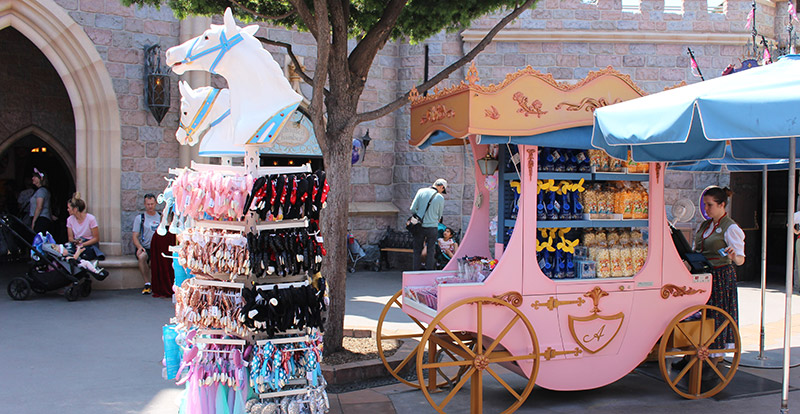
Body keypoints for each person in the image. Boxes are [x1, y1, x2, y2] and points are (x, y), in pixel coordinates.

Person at [694, 187, 745, 354]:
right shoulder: (705, 225)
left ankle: (715, 354)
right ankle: (696, 350)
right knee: (702, 315)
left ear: (722, 205)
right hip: (705, 275)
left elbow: (741, 260)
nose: (706, 209)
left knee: (718, 316)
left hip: (721, 275)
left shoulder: (730, 228)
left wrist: (733, 256)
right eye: (705, 205)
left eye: (710, 205)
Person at [410, 178, 446, 271]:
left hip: (419, 226)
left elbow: (412, 209)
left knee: (417, 250)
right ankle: (429, 273)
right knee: (431, 251)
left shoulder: (420, 191)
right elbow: (439, 215)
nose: (442, 192)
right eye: (443, 190)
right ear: (441, 187)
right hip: (432, 227)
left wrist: (420, 215)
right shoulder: (440, 197)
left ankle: (415, 273)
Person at [132, 194, 161, 295]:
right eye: (148, 204)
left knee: (154, 262)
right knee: (142, 257)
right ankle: (147, 283)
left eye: (152, 204)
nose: (150, 206)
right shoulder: (140, 218)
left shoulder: (161, 217)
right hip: (146, 247)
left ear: (155, 204)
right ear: (144, 204)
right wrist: (139, 247)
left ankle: (157, 284)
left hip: (158, 248)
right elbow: (135, 236)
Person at [66, 192, 104, 260]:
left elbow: (96, 238)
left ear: (75, 209)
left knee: (85, 252)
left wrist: (82, 244)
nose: (67, 210)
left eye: (69, 208)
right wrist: (76, 241)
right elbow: (70, 238)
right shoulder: (69, 220)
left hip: (88, 244)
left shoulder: (91, 219)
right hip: (77, 243)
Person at [29, 168, 52, 234]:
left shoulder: (41, 191)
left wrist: (34, 221)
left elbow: (39, 207)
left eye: (35, 177)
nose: (33, 178)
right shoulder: (41, 191)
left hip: (40, 220)